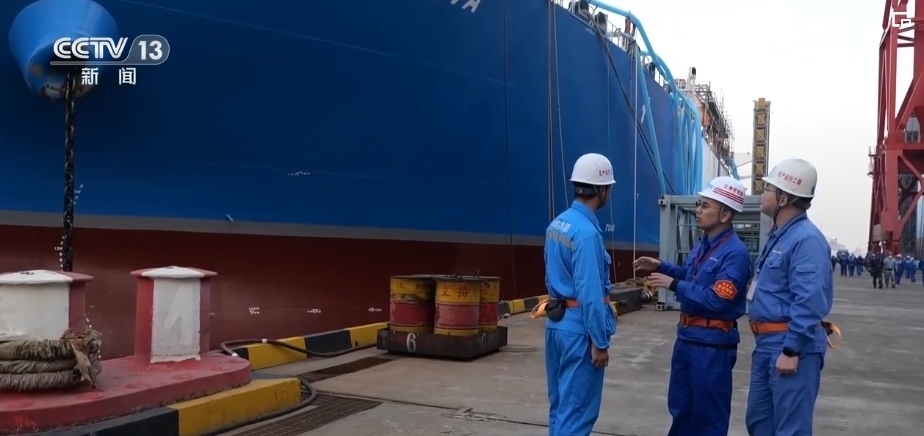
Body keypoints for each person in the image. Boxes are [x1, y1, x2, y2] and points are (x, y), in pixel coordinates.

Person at [634, 176, 753, 436]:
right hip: (687, 339)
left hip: (711, 346)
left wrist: (674, 284)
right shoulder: (703, 244)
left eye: (705, 206)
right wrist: (662, 266)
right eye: (699, 204)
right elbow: (692, 277)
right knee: (681, 410)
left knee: (708, 419)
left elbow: (718, 299)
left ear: (725, 215)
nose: (698, 210)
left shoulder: (735, 254)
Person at [745, 158, 836, 436]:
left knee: (790, 430)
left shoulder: (806, 240)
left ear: (783, 199)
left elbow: (809, 300)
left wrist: (791, 350)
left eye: (767, 189)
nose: (762, 193)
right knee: (759, 424)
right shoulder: (779, 235)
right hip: (766, 344)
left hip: (790, 346)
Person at [542, 152, 617, 436]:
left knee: (560, 407)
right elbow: (590, 294)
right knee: (577, 413)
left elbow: (549, 275)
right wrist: (599, 341)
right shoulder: (587, 234)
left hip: (557, 324)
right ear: (602, 190)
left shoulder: (557, 224)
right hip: (579, 331)